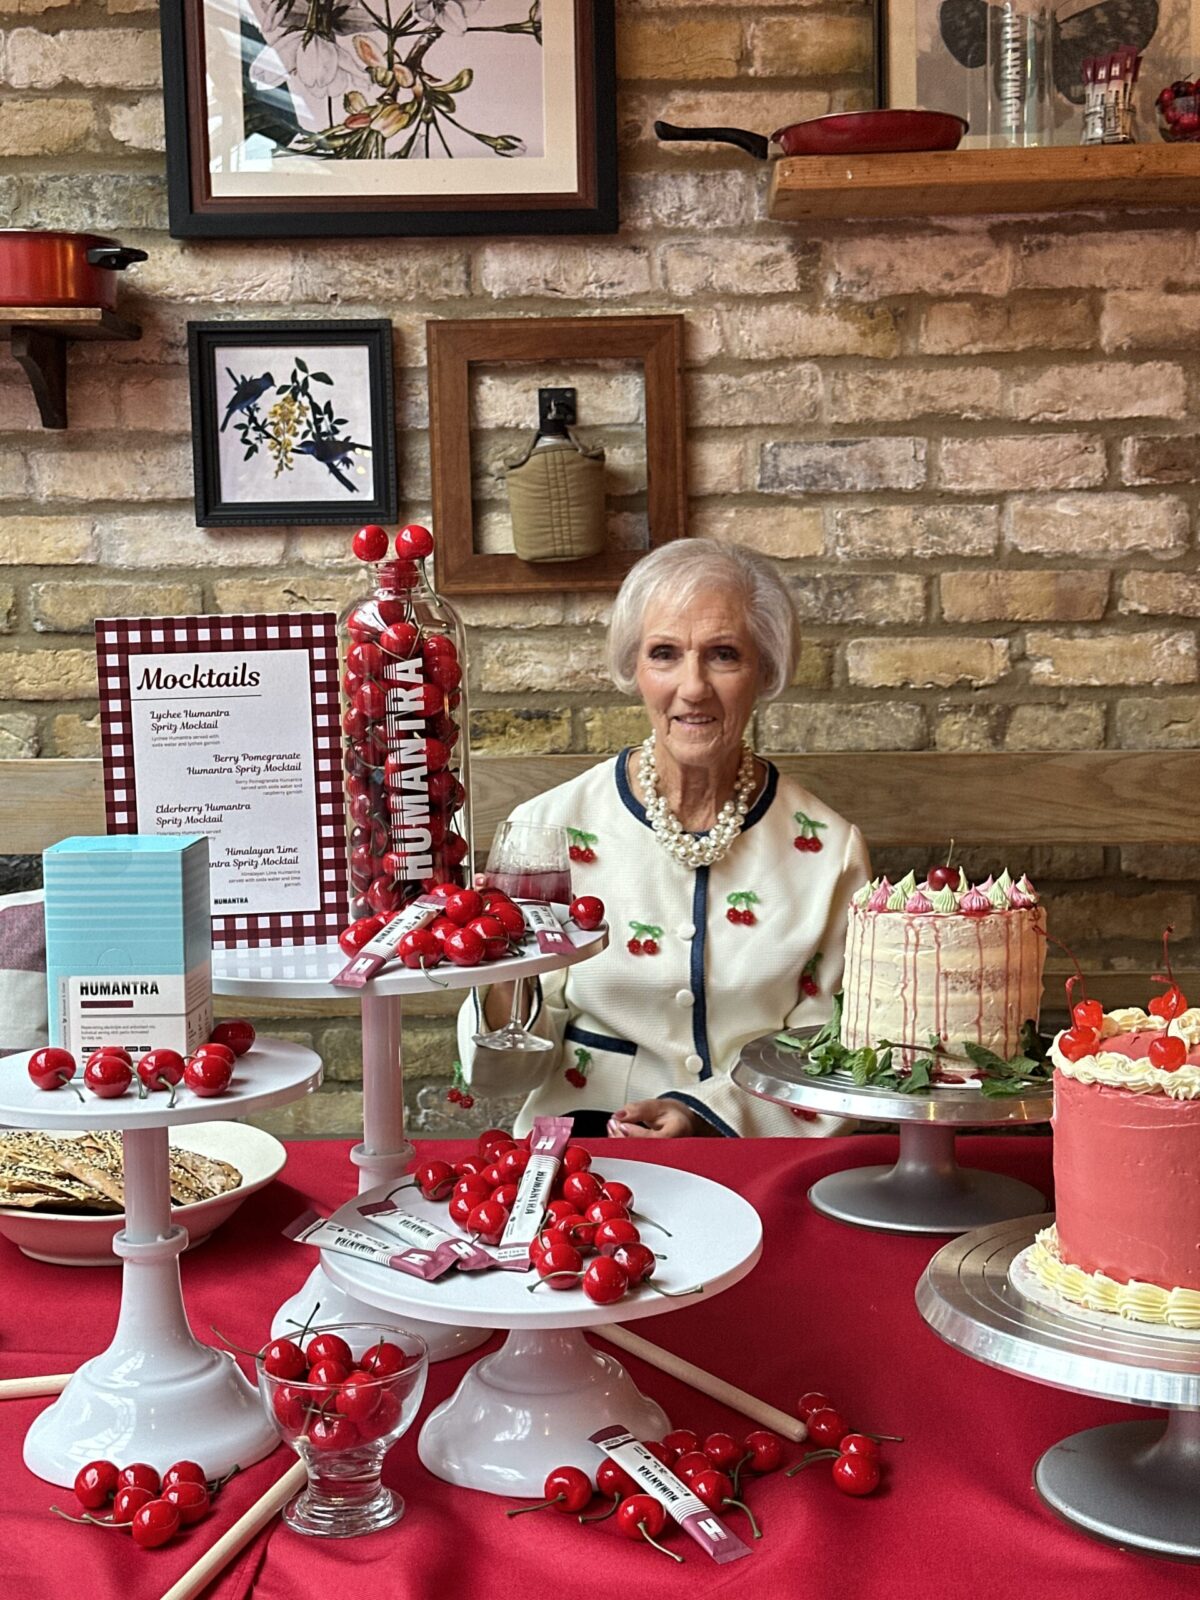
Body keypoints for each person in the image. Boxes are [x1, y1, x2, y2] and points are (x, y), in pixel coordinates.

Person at [456, 539, 871, 1137]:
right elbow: (504, 1073)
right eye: (665, 654)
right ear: (635, 668)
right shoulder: (547, 829)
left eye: (724, 655)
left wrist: (702, 1114)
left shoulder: (831, 853)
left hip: (749, 1151)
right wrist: (500, 966)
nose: (693, 686)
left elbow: (835, 1050)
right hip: (586, 1148)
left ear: (766, 669)